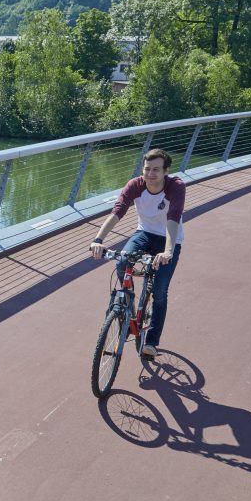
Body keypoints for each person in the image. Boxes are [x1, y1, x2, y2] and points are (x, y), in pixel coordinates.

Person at [88, 148, 185, 358]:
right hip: (144, 233)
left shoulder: (175, 187)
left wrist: (168, 251)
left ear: (166, 171)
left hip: (169, 238)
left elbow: (173, 218)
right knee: (122, 261)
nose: (150, 174)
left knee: (159, 292)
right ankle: (126, 304)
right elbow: (118, 211)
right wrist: (98, 239)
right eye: (147, 169)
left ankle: (151, 341)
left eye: (156, 170)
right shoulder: (136, 185)